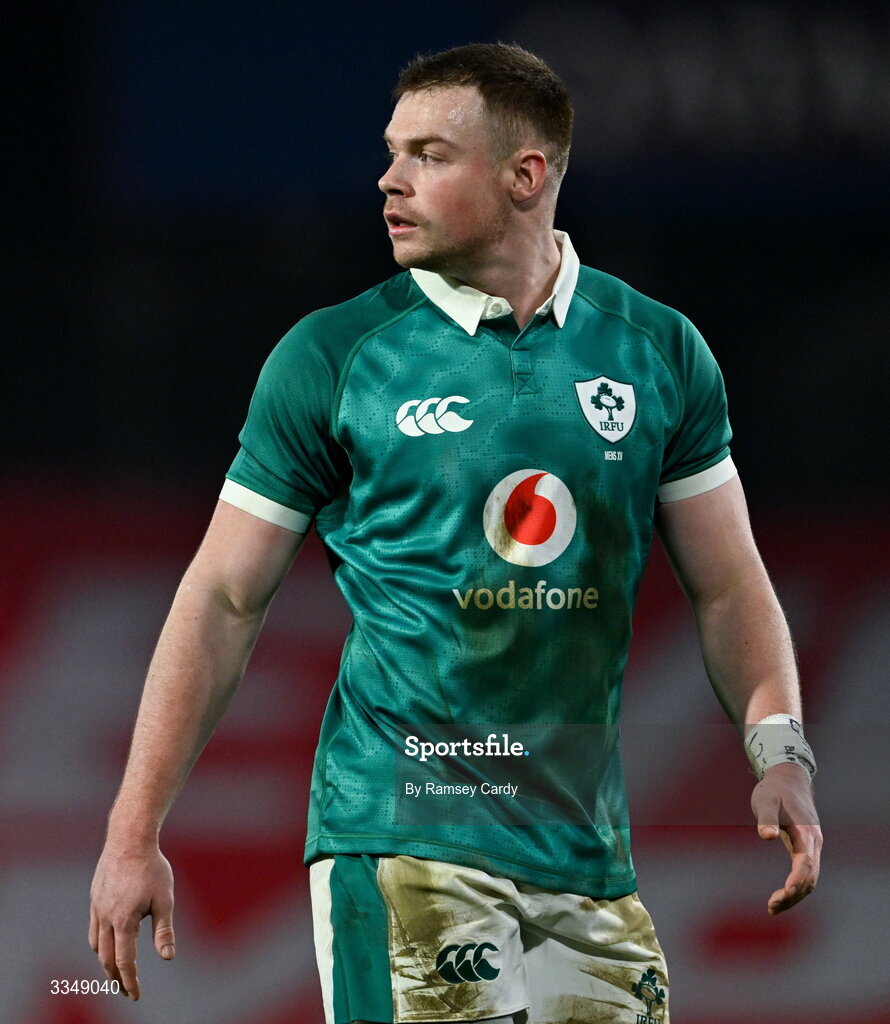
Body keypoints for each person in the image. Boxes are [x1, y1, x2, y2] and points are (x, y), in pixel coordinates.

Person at [89, 42, 822, 1024]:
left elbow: (729, 586)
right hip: (401, 836)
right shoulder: (334, 356)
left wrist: (780, 753)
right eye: (392, 152)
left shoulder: (657, 351)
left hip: (585, 857)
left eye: (429, 155)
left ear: (525, 176)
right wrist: (133, 831)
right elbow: (223, 596)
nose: (389, 180)